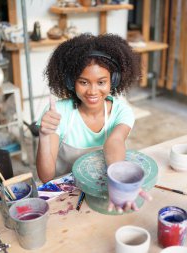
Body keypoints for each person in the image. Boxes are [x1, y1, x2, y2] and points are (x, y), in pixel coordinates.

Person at [36, 33, 148, 212]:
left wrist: (119, 181)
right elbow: (46, 177)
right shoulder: (58, 113)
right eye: (84, 82)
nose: (93, 91)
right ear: (71, 82)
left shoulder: (121, 111)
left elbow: (114, 142)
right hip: (66, 193)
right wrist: (43, 135)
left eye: (101, 82)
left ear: (114, 80)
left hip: (103, 188)